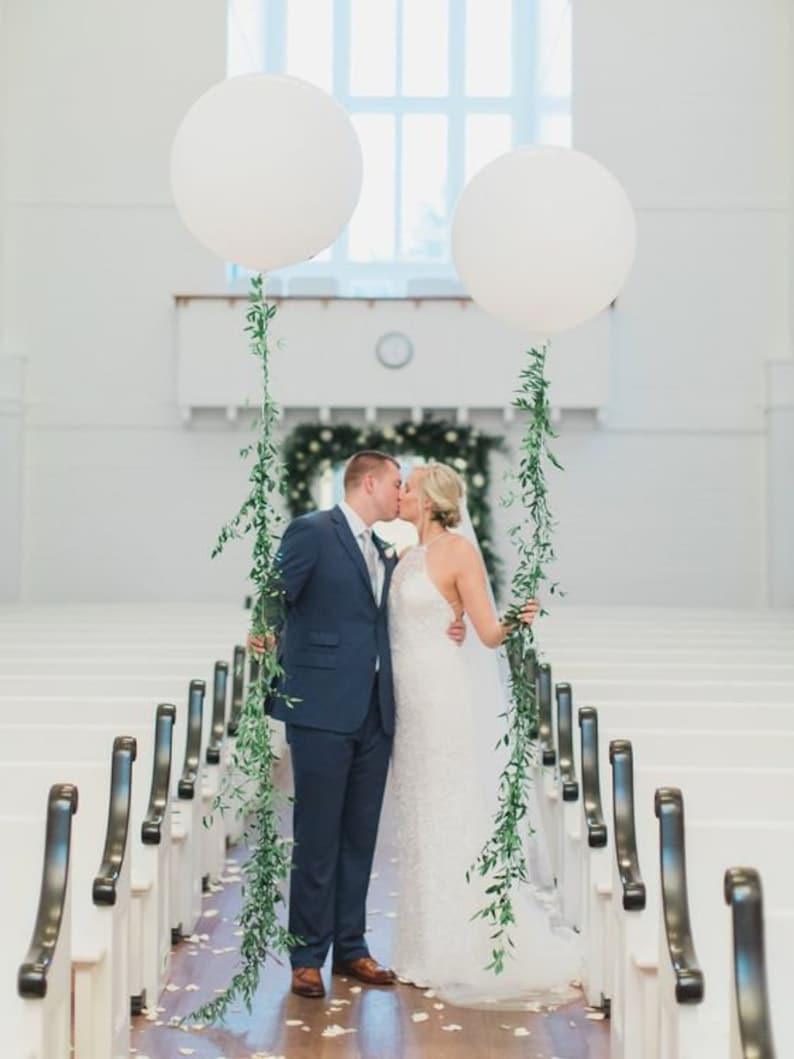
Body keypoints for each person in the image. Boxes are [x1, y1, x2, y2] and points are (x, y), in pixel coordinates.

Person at [255, 450, 467, 999]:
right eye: (397, 483)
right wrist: (265, 632)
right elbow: (275, 595)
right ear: (368, 482)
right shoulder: (312, 531)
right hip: (321, 707)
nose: (403, 494)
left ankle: (351, 947)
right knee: (317, 834)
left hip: (376, 709)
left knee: (359, 836)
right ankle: (307, 955)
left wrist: (457, 622)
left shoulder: (386, 550)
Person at [389, 461, 580, 1008]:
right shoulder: (405, 556)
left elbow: (490, 633)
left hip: (443, 697)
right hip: (409, 701)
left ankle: (460, 945)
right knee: (419, 812)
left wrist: (521, 616)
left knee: (452, 807)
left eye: (409, 487)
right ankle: (421, 947)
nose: (401, 493)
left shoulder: (459, 552)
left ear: (428, 499)